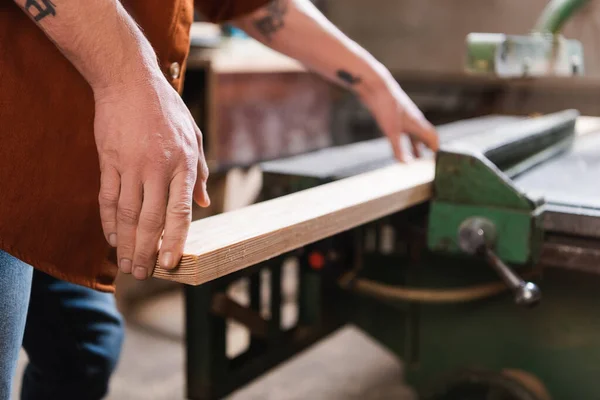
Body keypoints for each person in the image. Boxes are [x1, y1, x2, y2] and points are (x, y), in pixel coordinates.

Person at [0, 0, 439, 398]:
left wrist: (374, 81)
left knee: (85, 352)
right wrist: (129, 79)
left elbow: (256, 5)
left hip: (47, 158)